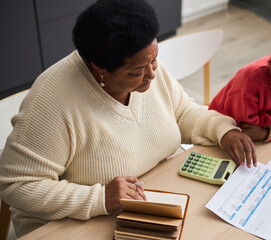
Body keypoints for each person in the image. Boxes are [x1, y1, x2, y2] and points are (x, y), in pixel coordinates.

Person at [0, 0, 257, 237]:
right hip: (70, 223)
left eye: (154, 61)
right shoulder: (52, 100)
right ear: (100, 68)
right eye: (137, 72)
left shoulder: (143, 60)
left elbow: (180, 112)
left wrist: (224, 131)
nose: (152, 75)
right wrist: (99, 198)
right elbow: (17, 185)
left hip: (150, 197)